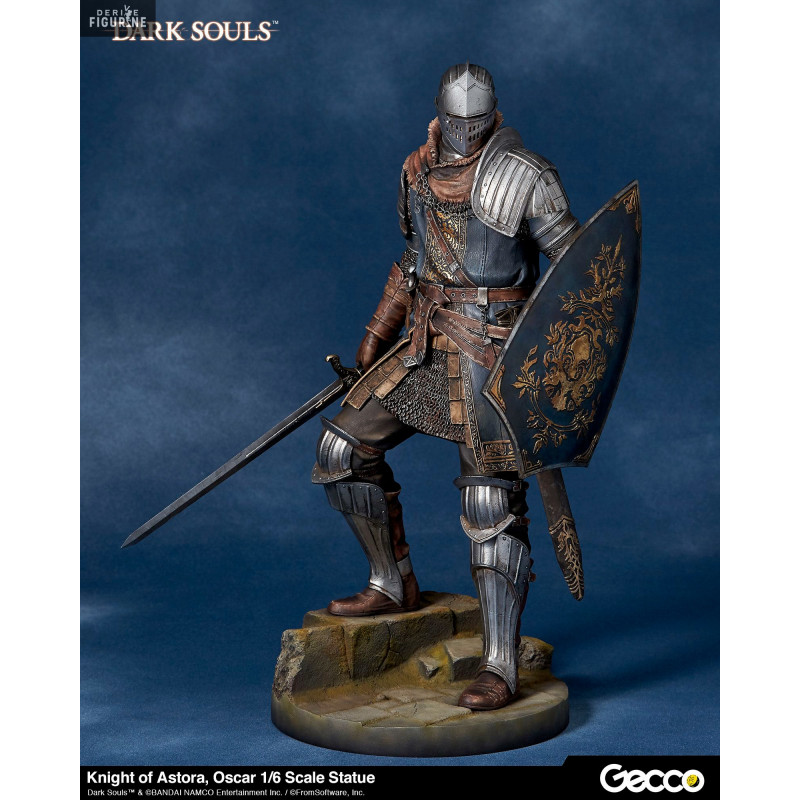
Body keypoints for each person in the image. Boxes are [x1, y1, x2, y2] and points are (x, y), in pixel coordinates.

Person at [312, 63, 580, 711]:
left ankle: (499, 663)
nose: (463, 131)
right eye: (455, 120)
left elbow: (577, 270)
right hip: (426, 341)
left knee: (489, 504)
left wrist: (549, 363)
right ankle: (391, 581)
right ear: (438, 112)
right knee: (342, 450)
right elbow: (414, 262)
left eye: (474, 121)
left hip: (493, 352)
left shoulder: (525, 176)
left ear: (492, 116)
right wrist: (378, 330)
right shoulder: (417, 170)